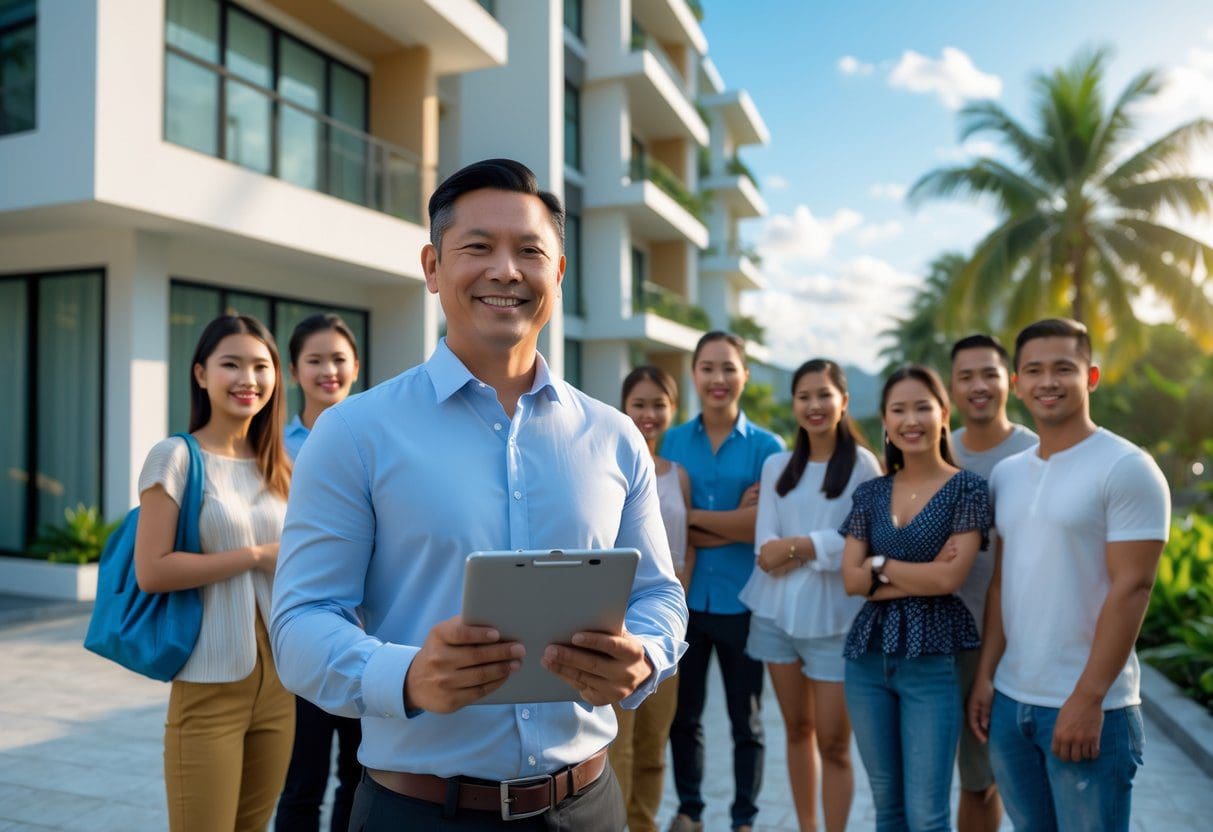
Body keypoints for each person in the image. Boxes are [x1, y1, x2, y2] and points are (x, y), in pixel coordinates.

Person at [270, 158, 688, 831]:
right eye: (477, 248)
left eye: (529, 251)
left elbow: (659, 594)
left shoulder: (613, 437)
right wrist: (404, 677)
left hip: (588, 804)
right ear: (433, 267)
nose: (505, 270)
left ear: (557, 273)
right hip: (417, 810)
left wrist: (646, 652)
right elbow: (299, 625)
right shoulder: (354, 433)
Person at [968, 318, 1170, 832]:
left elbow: (1133, 587)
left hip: (1088, 705)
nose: (1047, 382)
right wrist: (988, 677)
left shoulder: (1126, 467)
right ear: (1017, 384)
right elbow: (1002, 584)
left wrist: (1086, 699)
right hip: (1013, 704)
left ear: (1092, 376)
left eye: (1064, 368)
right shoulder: (1009, 473)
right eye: (1033, 370)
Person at [134, 314, 294, 831]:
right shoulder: (175, 457)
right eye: (232, 364)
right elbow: (152, 571)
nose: (248, 379)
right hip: (208, 682)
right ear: (201, 374)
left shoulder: (278, 464)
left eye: (260, 366)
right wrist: (256, 555)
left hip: (279, 684)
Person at [839, 365, 990, 832]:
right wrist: (918, 574)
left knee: (927, 814)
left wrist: (880, 568)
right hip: (866, 660)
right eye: (898, 410)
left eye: (922, 407)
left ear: (943, 414)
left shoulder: (968, 488)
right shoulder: (870, 492)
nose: (911, 420)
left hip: (934, 659)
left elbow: (949, 579)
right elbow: (849, 580)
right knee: (888, 808)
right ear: (885, 422)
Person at [740, 359, 882, 832]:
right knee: (797, 730)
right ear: (794, 404)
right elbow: (765, 553)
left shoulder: (863, 465)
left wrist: (799, 546)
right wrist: (820, 547)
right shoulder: (778, 464)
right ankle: (807, 826)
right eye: (804, 396)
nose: (814, 405)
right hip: (776, 618)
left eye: (824, 395)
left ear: (843, 401)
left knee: (835, 744)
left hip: (836, 621)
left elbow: (865, 542)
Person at [663, 330, 785, 832]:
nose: (718, 378)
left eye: (728, 368)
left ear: (745, 376)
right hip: (683, 602)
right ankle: (690, 810)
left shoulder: (767, 447)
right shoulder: (669, 442)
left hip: (742, 602)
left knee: (746, 721)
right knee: (683, 716)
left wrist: (690, 521)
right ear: (694, 375)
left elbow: (761, 529)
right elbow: (658, 524)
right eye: (708, 368)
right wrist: (729, 520)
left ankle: (744, 819)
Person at [276, 313, 363, 832]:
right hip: (301, 632)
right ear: (293, 371)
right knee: (301, 780)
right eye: (315, 360)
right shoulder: (274, 448)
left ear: (356, 365)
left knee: (358, 774)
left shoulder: (376, 436)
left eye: (338, 359)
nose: (328, 370)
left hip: (367, 632)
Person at [947, 334, 1037, 832]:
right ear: (952, 387)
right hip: (940, 638)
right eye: (966, 376)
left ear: (1010, 382)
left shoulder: (1034, 452)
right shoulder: (938, 449)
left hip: (1009, 641)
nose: (978, 386)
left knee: (986, 780)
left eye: (989, 374)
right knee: (952, 778)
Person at [609, 366, 694, 832]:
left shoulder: (679, 475)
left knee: (654, 741)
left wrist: (680, 603)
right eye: (639, 403)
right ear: (624, 407)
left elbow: (688, 543)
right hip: (619, 620)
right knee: (619, 740)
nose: (648, 413)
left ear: (672, 410)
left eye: (658, 404)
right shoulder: (610, 465)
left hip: (667, 624)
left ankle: (644, 822)